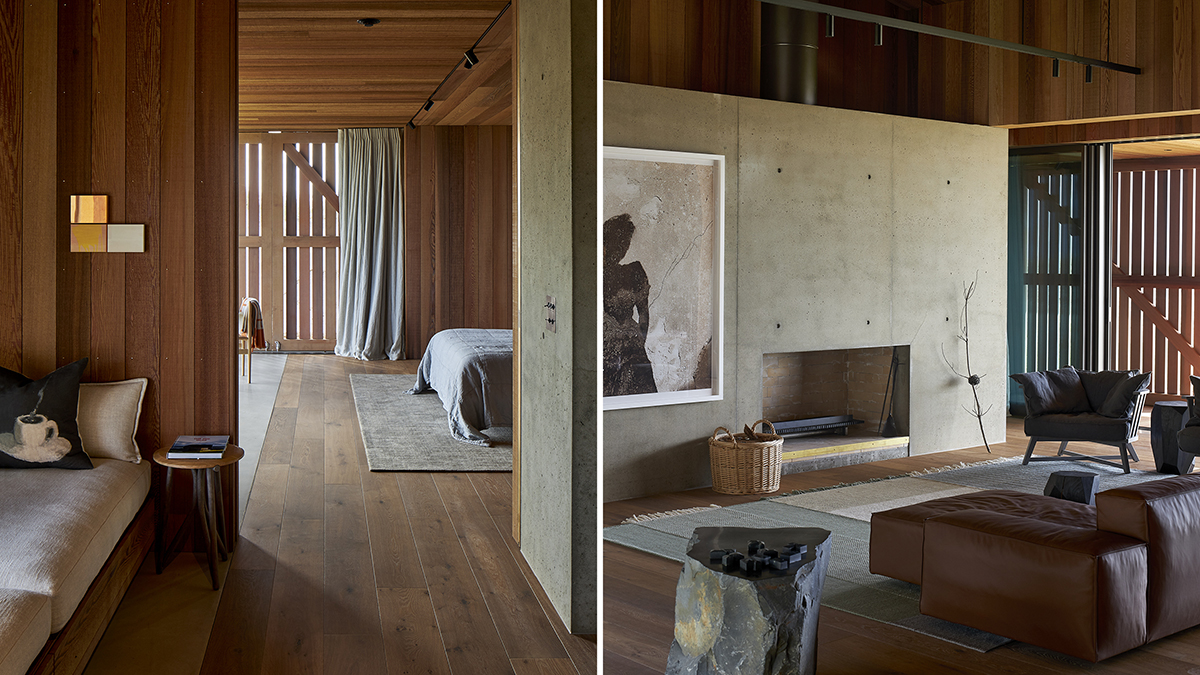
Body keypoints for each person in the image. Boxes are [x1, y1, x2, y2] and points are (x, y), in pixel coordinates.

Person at [603, 214, 657, 396]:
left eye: (625, 243)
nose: (621, 248)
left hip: (631, 348)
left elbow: (644, 315)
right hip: (603, 350)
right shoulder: (595, 273)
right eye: (617, 242)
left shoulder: (635, 272)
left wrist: (636, 345)